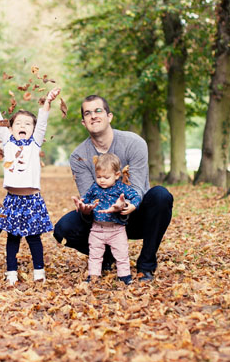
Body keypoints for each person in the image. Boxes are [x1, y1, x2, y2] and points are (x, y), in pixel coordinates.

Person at [53, 95, 173, 282]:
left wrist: (124, 206)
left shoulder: (134, 143)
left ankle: (146, 265)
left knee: (161, 196)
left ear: (109, 116)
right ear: (83, 123)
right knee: (63, 229)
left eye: (98, 111)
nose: (93, 116)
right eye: (88, 113)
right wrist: (86, 210)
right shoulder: (79, 156)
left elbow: (138, 188)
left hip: (134, 213)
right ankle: (106, 256)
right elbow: (89, 197)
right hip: (102, 219)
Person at [0, 86, 61, 285]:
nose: (23, 126)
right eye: (19, 123)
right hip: (12, 200)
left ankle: (39, 272)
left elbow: (43, 121)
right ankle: (11, 272)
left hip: (32, 200)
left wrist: (48, 100)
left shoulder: (35, 143)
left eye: (28, 123)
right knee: (12, 238)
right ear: (11, 128)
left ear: (33, 129)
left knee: (33, 238)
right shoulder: (8, 142)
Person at [80, 153, 142, 284]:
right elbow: (86, 198)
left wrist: (131, 206)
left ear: (117, 175)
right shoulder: (95, 187)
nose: (102, 180)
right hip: (97, 228)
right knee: (95, 254)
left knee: (121, 254)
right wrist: (82, 204)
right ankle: (93, 275)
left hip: (116, 229)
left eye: (106, 177)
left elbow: (136, 196)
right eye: (99, 177)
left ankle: (124, 276)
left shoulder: (121, 188)